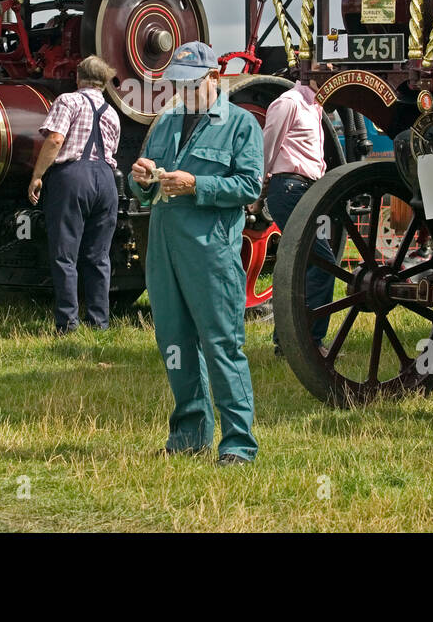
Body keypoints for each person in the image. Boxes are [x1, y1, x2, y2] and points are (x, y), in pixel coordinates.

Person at [128, 41, 263, 465]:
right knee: (175, 342)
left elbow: (250, 188)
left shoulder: (241, 124)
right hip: (165, 249)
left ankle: (238, 444)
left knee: (222, 344)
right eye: (177, 85)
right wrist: (141, 178)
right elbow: (141, 190)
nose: (182, 93)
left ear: (214, 79)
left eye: (190, 84)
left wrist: (197, 186)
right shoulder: (167, 123)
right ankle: (189, 436)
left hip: (211, 252)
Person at [29, 55, 121, 334]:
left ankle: (67, 323)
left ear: (78, 77)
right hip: (106, 180)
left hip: (73, 177)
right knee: (98, 256)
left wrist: (37, 176)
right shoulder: (111, 112)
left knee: (65, 254)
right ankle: (99, 322)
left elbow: (55, 139)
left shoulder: (68, 101)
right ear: (104, 82)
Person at [257, 73, 337, 356]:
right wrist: (257, 190)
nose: (329, 70)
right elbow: (268, 146)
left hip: (306, 189)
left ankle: (287, 343)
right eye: (323, 63)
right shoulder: (288, 102)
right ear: (307, 66)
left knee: (300, 265)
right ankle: (311, 342)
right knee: (322, 263)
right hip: (289, 189)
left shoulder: (315, 106)